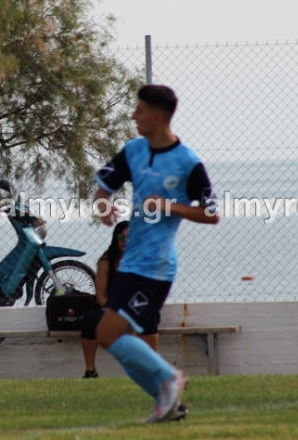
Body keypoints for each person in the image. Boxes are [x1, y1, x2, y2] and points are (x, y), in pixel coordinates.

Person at [93, 85, 219, 424]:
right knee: (115, 339)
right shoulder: (133, 150)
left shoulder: (187, 162)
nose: (133, 115)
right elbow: (103, 188)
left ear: (157, 118)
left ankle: (168, 378)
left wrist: (168, 205)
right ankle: (167, 401)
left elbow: (211, 214)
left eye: (140, 110)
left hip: (154, 267)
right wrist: (103, 206)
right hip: (130, 264)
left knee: (107, 335)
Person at [81, 221, 158, 378]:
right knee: (89, 320)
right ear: (116, 239)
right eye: (121, 237)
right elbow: (101, 295)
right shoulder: (106, 262)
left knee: (149, 318)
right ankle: (90, 371)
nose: (125, 241)